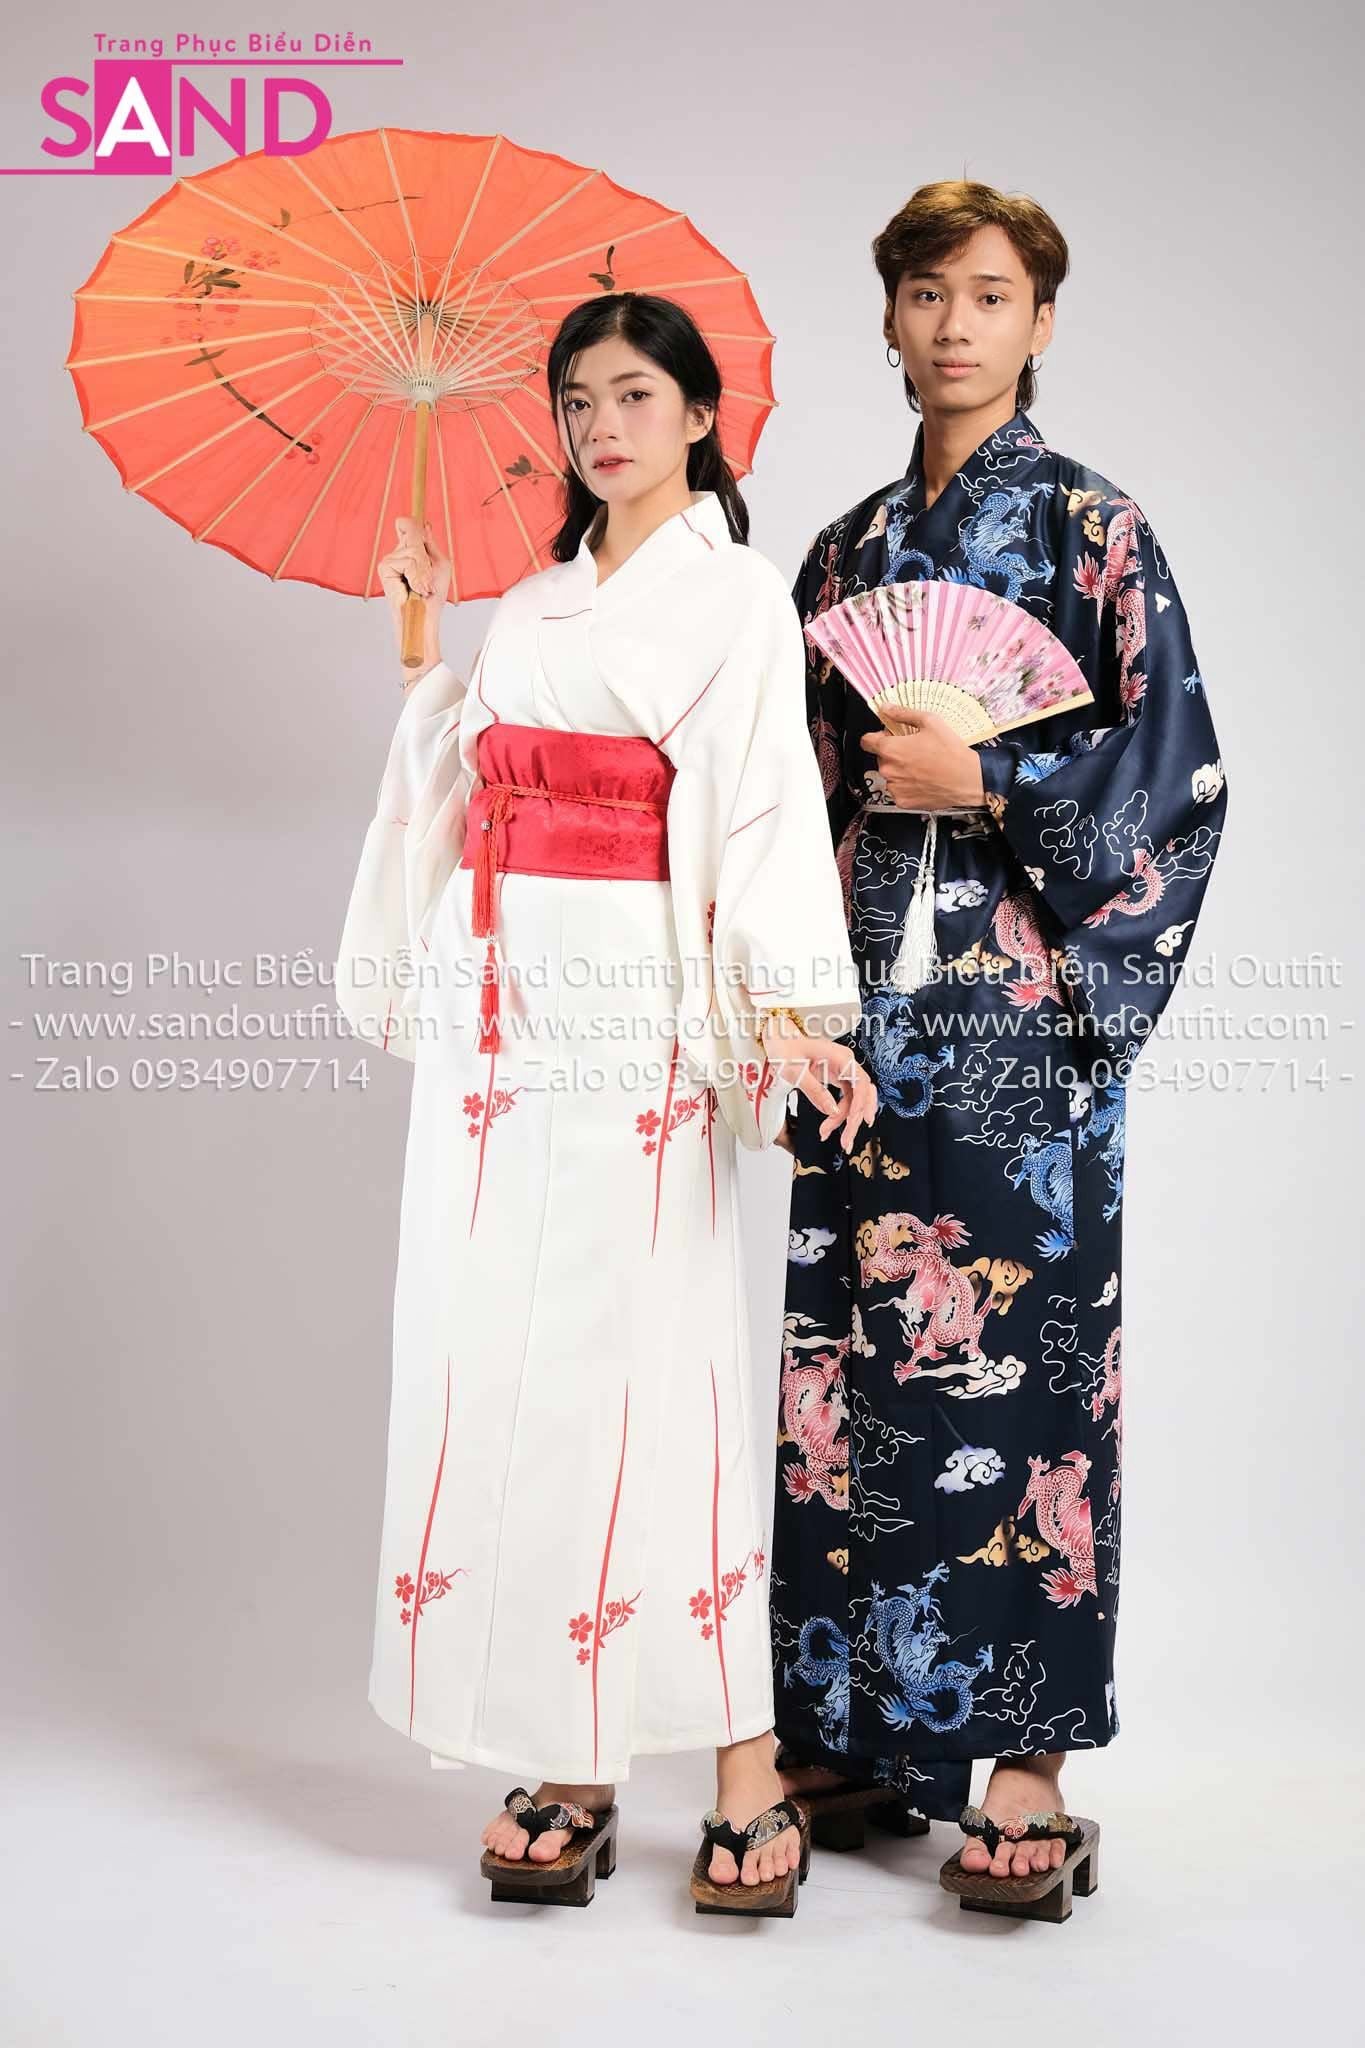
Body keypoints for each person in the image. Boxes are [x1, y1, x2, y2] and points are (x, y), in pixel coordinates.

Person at [335, 290, 877, 1910]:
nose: (601, 426)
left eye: (635, 394)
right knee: (506, 1351)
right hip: (504, 1009)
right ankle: (567, 1752)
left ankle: (742, 1763)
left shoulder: (734, 601)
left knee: (660, 1362)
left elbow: (764, 805)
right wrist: (424, 644)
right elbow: (468, 774)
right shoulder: (533, 603)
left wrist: (785, 1011)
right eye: (577, 400)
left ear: (700, 416)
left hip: (637, 1000)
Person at [767, 180, 1228, 1913]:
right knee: (845, 1353)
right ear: (886, 322)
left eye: (985, 293)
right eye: (922, 293)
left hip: (1020, 1011)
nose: (952, 324)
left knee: (1021, 1363)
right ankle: (850, 1724)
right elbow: (783, 795)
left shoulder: (1097, 531)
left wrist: (998, 780)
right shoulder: (840, 555)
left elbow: (1175, 777)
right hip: (859, 1000)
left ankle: (1023, 1751)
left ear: (1039, 321)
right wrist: (780, 987)